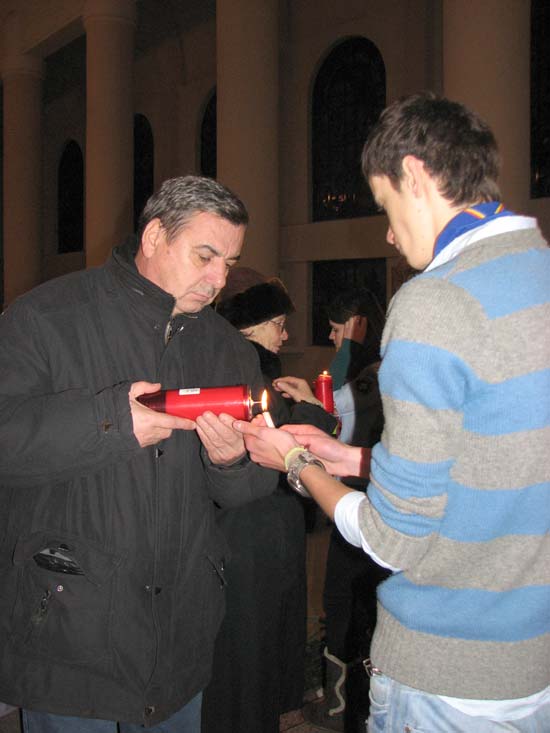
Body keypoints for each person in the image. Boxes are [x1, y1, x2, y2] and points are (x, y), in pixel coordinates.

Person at [234, 92, 550, 732]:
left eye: (385, 205)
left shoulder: (435, 302)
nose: (387, 232)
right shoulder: (537, 272)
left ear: (414, 175)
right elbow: (491, 458)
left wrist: (295, 461)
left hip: (448, 674)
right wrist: (355, 458)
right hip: (530, 658)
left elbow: (391, 538)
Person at [0, 175, 278, 733]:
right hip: (68, 629)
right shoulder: (45, 318)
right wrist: (110, 423)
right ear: (154, 236)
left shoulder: (227, 348)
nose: (219, 280)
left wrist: (231, 463)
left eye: (229, 263)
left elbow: (254, 485)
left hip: (178, 634)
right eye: (205, 256)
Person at [201, 270, 338, 733]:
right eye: (277, 324)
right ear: (247, 326)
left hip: (267, 529)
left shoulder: (262, 372)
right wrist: (311, 410)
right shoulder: (242, 372)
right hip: (247, 533)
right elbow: (278, 443)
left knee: (267, 635)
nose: (285, 335)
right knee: (250, 643)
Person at [277, 288, 389, 732]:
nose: (330, 336)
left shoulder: (376, 371)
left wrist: (347, 351)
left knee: (346, 602)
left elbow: (338, 407)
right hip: (355, 493)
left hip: (364, 503)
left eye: (337, 327)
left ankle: (342, 706)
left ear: (359, 326)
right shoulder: (369, 369)